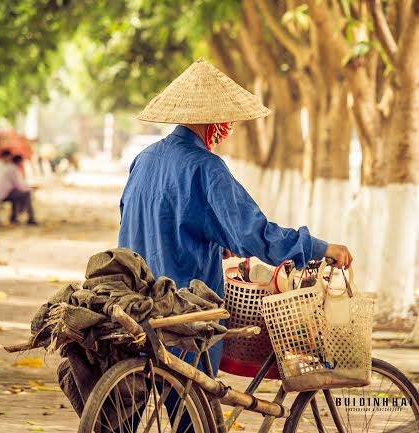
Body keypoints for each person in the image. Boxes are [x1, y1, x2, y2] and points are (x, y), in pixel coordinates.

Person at [118, 58, 352, 373]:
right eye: (226, 118)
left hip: (135, 304)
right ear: (211, 120)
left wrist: (215, 240)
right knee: (194, 417)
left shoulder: (143, 159)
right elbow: (254, 234)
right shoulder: (206, 166)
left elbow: (147, 221)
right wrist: (320, 248)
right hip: (185, 314)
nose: (229, 126)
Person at [0, 153, 38, 225]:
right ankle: (31, 218)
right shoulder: (12, 168)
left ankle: (14, 217)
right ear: (19, 161)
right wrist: (30, 189)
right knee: (26, 194)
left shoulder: (5, 166)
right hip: (3, 194)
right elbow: (18, 184)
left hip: (4, 192)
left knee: (18, 195)